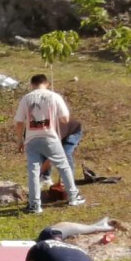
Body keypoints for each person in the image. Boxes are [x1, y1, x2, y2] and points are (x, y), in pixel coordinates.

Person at [14, 74, 84, 214]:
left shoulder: (26, 98)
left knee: (33, 171)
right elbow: (65, 119)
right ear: (46, 84)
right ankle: (73, 196)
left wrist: (20, 140)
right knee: (63, 166)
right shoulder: (54, 96)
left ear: (32, 85)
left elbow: (19, 122)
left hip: (31, 139)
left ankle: (34, 205)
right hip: (50, 136)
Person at [40, 118, 83, 188]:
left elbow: (53, 155)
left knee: (66, 154)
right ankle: (45, 177)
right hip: (61, 133)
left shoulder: (54, 128)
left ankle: (69, 182)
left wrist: (40, 170)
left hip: (73, 132)